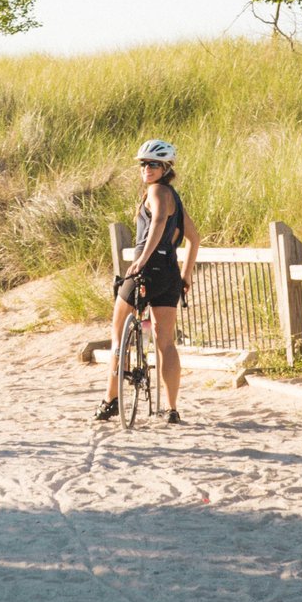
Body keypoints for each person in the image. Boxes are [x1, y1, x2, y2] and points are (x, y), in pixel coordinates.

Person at [95, 138, 199, 425]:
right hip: (169, 273)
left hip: (146, 268)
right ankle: (172, 408)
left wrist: (140, 260)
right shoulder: (174, 199)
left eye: (153, 164)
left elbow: (158, 224)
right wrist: (185, 275)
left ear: (165, 168)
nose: (147, 169)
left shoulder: (155, 191)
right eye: (143, 164)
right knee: (166, 342)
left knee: (118, 335)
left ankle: (111, 401)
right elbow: (194, 239)